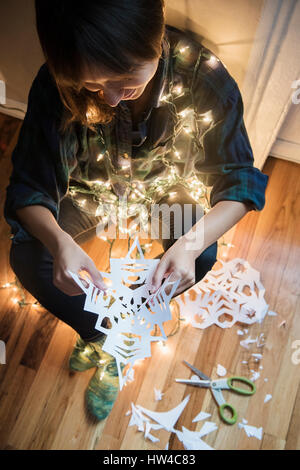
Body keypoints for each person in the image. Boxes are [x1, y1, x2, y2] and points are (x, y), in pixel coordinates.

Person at [4, 0, 268, 421]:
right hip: (87, 190)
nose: (108, 96)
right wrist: (60, 240)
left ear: (155, 34)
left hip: (166, 195)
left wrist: (187, 244)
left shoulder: (204, 78)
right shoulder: (55, 83)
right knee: (27, 255)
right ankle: (107, 338)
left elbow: (239, 181)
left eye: (125, 77)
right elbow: (28, 189)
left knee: (199, 255)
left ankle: (131, 330)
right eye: (91, 85)